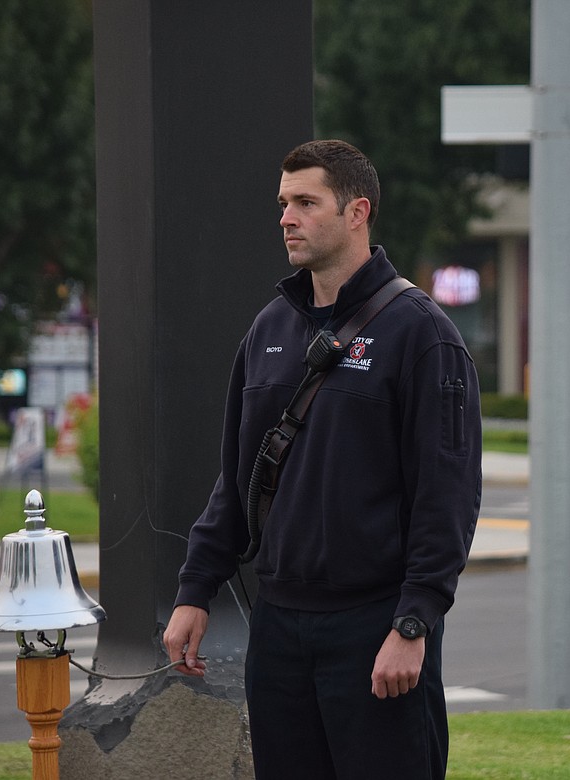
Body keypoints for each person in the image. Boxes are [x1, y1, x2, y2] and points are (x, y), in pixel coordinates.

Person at [162, 139, 483, 779]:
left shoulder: (422, 335)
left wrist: (414, 623)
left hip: (376, 627)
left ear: (356, 211)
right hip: (278, 627)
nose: (287, 218)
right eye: (284, 203)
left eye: (306, 202)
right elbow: (238, 478)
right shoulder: (270, 329)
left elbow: (446, 498)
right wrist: (195, 589)